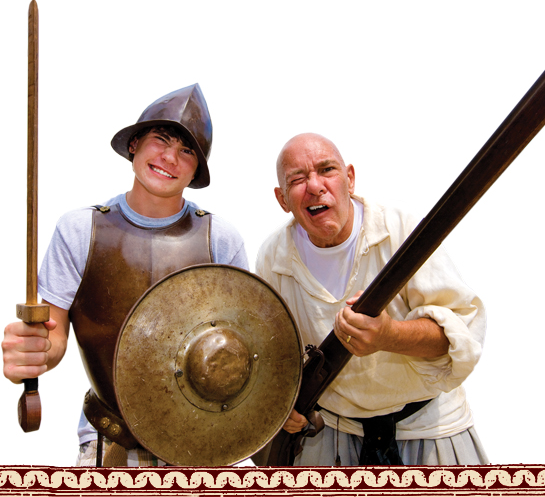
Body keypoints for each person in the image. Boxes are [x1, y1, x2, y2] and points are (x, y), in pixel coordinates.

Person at [2, 84, 250, 467]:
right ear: (135, 144)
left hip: (200, 443)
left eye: (187, 151)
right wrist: (32, 353)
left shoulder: (221, 239)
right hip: (107, 440)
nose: (170, 157)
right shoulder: (80, 230)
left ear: (196, 169)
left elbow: (240, 348)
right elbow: (53, 338)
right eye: (161, 140)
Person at [256, 132, 488, 465]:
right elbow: (273, 356)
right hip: (332, 433)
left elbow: (460, 338)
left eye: (327, 170)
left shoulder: (402, 231)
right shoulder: (272, 257)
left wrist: (389, 336)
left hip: (428, 429)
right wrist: (281, 403)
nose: (316, 186)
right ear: (282, 199)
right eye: (298, 179)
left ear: (349, 179)